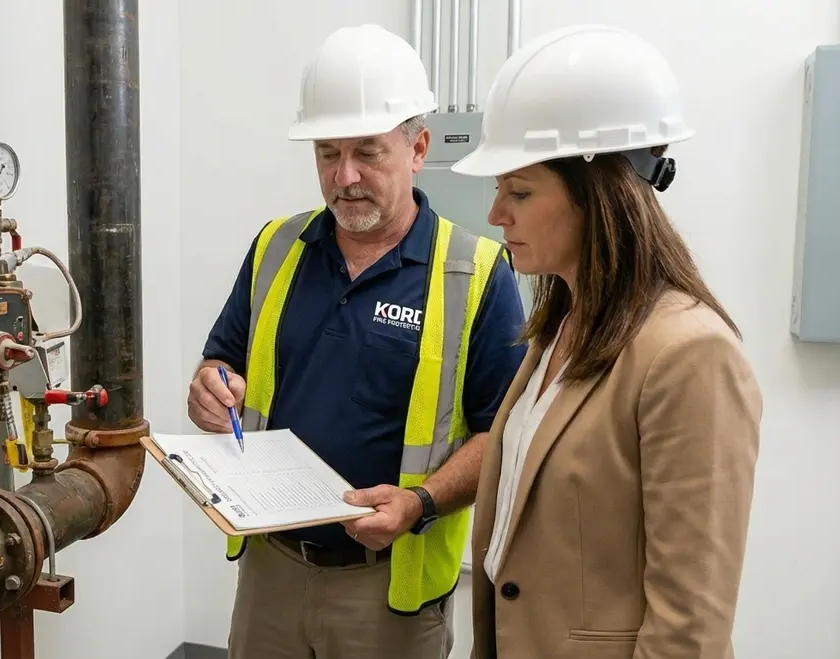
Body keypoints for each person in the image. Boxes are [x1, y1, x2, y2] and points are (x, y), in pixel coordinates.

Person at [186, 23, 528, 659]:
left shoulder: (476, 273)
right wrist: (210, 386)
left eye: (368, 152)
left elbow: (502, 435)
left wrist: (419, 502)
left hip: (388, 591)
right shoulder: (276, 248)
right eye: (327, 153)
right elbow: (222, 361)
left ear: (418, 146)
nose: (345, 177)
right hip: (271, 573)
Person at [449, 24, 763, 659]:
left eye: (520, 191)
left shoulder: (689, 355)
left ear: (599, 195)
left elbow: (691, 627)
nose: (495, 214)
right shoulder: (562, 323)